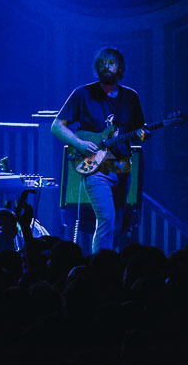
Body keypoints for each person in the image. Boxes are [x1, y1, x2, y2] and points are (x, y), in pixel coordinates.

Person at [51, 47, 149, 254]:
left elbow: (139, 131)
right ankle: (99, 268)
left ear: (120, 67)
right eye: (102, 62)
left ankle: (111, 267)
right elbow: (57, 126)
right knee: (106, 217)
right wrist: (79, 143)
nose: (106, 66)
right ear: (96, 67)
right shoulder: (82, 94)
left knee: (119, 224)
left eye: (111, 62)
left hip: (122, 166)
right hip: (95, 167)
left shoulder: (130, 97)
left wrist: (144, 134)